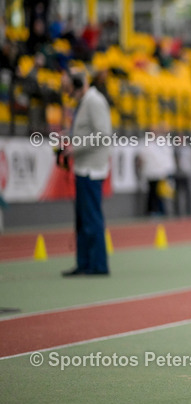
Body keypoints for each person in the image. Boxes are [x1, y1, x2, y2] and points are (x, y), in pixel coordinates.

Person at [58, 70, 112, 277]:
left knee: (91, 218)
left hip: (92, 169)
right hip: (84, 167)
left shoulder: (94, 102)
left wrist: (75, 148)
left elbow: (103, 135)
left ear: (78, 84)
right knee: (82, 219)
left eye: (68, 87)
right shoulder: (85, 102)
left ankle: (97, 265)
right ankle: (85, 263)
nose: (67, 91)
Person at [173, 140, 191, 217]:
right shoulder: (175, 149)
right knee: (176, 194)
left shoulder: (188, 149)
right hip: (177, 174)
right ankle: (177, 213)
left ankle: (189, 211)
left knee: (188, 194)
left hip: (186, 174)